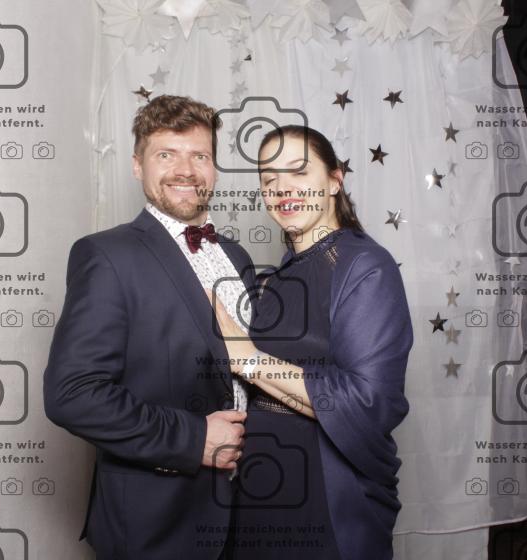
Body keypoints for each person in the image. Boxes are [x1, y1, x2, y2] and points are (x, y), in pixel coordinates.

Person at [44, 94, 256, 560]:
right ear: (138, 165)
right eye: (166, 155)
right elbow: (72, 394)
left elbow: (243, 371)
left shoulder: (237, 258)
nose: (185, 170)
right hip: (156, 524)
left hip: (243, 514)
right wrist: (193, 439)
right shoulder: (106, 256)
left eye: (199, 156)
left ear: (215, 168)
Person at [208, 125, 413, 560]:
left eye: (299, 171)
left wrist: (249, 360)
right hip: (261, 485)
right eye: (269, 179)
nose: (282, 188)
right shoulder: (274, 279)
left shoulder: (364, 266)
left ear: (335, 180)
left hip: (326, 494)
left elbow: (370, 403)